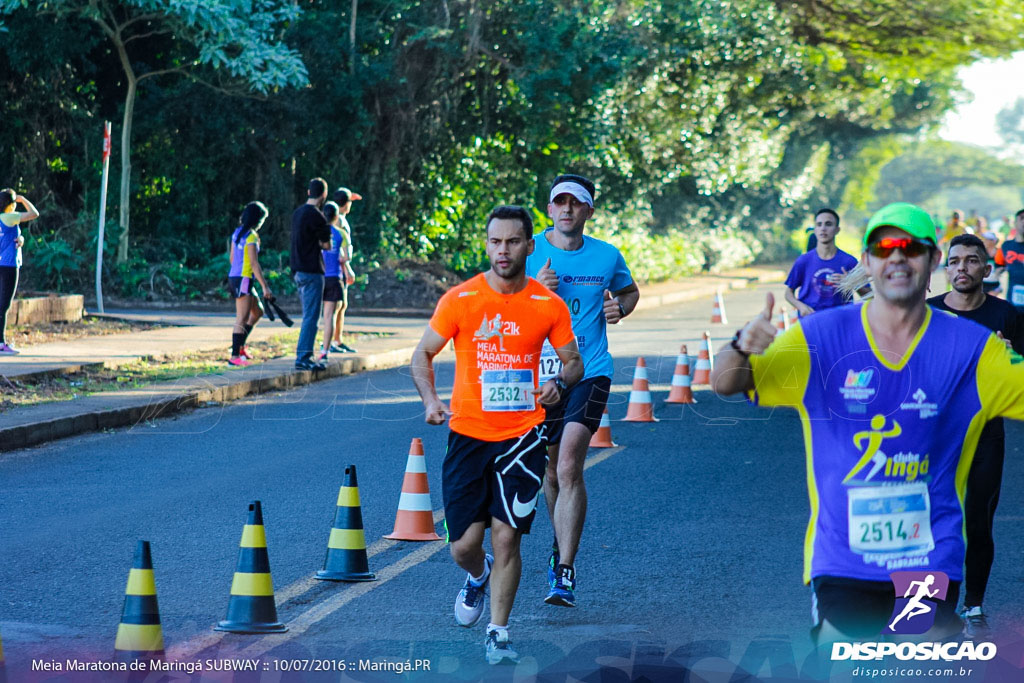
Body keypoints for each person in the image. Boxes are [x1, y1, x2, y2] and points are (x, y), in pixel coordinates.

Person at [711, 202, 1024, 643]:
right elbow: (725, 383)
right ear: (867, 262)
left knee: (914, 665)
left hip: (928, 558)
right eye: (883, 247)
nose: (897, 257)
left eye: (911, 248)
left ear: (932, 261)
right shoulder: (819, 336)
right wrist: (740, 346)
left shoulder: (973, 348)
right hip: (842, 562)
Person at [411, 205, 583, 665]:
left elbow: (573, 362)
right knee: (463, 545)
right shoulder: (461, 299)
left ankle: (499, 631)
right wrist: (431, 402)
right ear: (486, 244)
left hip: (523, 437)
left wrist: (559, 384)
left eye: (512, 241)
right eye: (495, 241)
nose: (502, 250)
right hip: (467, 436)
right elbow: (422, 354)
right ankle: (477, 573)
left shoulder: (547, 304)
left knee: (508, 537)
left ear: (529, 245)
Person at [525, 173, 638, 608]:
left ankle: (565, 570)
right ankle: (560, 546)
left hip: (590, 370)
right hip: (541, 374)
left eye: (577, 203)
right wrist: (537, 291)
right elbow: (499, 301)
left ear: (589, 211)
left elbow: (629, 291)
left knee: (570, 464)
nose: (568, 209)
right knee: (551, 472)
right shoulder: (529, 251)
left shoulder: (607, 256)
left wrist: (619, 308)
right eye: (560, 203)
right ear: (550, 209)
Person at [927, 233, 1023, 638]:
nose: (962, 267)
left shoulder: (1009, 316)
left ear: (987, 269)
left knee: (977, 526)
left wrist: (1009, 357)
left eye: (971, 261)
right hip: (933, 441)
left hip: (986, 438)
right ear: (945, 269)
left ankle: (973, 607)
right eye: (954, 261)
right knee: (931, 525)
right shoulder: (925, 313)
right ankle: (929, 610)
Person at [783, 208, 861, 316]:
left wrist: (851, 282)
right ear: (815, 229)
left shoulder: (849, 261)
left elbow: (869, 295)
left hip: (840, 323)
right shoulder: (803, 261)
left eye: (828, 224)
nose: (823, 228)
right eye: (819, 224)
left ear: (837, 229)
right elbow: (788, 293)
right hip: (810, 322)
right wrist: (801, 306)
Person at [290, 178, 332, 371]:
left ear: (308, 192)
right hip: (312, 271)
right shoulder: (318, 217)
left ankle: (304, 354)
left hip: (297, 270)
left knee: (308, 315)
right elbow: (327, 245)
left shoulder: (297, 213)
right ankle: (304, 357)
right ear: (323, 195)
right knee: (311, 317)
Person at [0, 189, 39, 355]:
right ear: (11, 204)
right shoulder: (11, 217)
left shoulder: (6, 220)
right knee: (3, 305)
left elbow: (12, 238)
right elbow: (34, 214)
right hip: (9, 266)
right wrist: (23, 199)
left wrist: (21, 239)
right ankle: (1, 343)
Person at [328, 187, 362, 354]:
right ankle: (333, 340)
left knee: (342, 305)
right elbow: (339, 247)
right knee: (337, 306)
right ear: (345, 204)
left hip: (340, 268)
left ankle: (337, 339)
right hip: (338, 269)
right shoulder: (339, 220)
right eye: (349, 202)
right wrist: (347, 268)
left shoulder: (339, 216)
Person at [1001, 209, 1024, 312]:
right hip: (1013, 305)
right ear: (1015, 223)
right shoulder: (1006, 246)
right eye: (1022, 218)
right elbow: (997, 268)